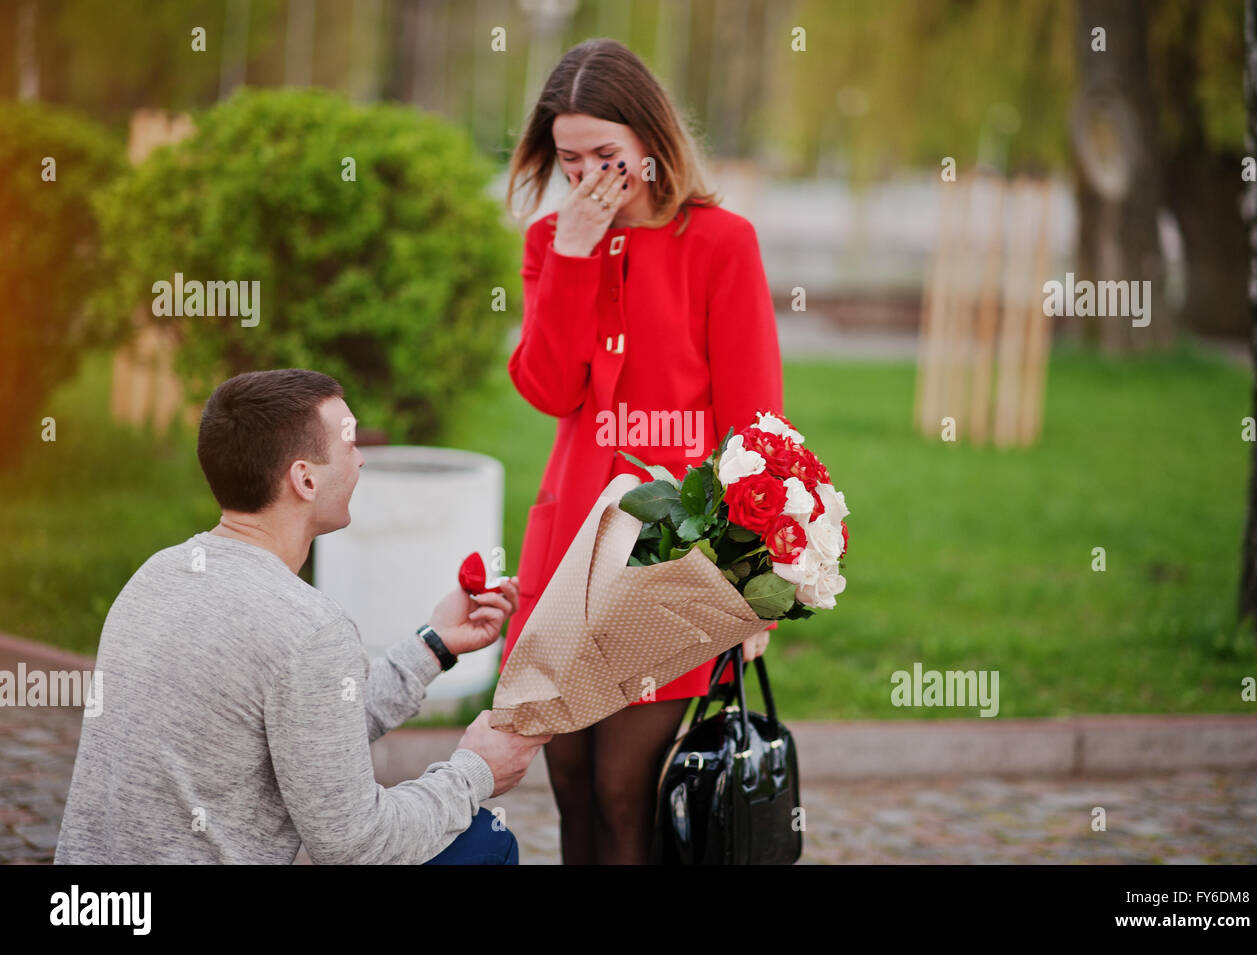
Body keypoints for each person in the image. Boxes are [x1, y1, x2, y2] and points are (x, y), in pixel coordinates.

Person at [54, 369, 549, 865]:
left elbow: (311, 733)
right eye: (350, 441)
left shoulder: (157, 574)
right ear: (305, 479)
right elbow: (357, 845)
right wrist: (475, 771)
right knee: (484, 841)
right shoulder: (308, 629)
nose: (360, 459)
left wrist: (434, 646)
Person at [502, 38, 782, 865]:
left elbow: (753, 421)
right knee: (571, 787)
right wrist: (575, 259)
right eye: (568, 159)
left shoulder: (721, 242)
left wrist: (752, 577)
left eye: (607, 156)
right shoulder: (553, 241)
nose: (588, 178)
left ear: (651, 145)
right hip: (567, 550)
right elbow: (549, 388)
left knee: (626, 792)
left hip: (672, 553)